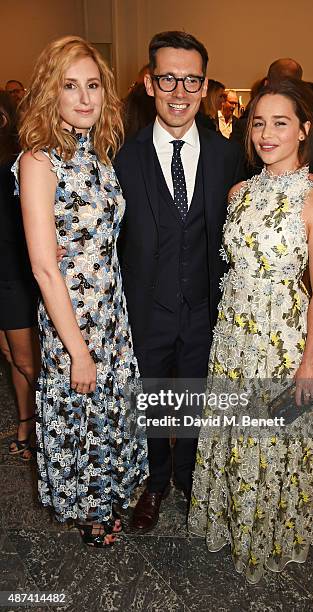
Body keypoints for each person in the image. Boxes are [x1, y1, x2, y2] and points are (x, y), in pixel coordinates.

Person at [188, 79, 313, 583]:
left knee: (272, 437)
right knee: (235, 432)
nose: (267, 133)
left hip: (282, 343)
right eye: (258, 122)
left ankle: (269, 534)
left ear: (303, 131)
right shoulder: (239, 193)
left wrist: (308, 363)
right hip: (234, 337)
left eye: (280, 123)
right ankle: (232, 522)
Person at [15, 36, 148, 547]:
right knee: (82, 414)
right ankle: (92, 512)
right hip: (72, 318)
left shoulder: (97, 152)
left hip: (111, 314)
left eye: (93, 85)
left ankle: (109, 498)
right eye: (70, 86)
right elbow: (45, 268)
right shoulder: (39, 160)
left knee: (111, 413)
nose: (85, 97)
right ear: (51, 91)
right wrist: (77, 350)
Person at [114, 30, 244, 532]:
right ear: (149, 83)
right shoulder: (121, 157)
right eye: (167, 78)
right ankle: (155, 480)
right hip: (144, 308)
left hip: (206, 309)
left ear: (205, 84)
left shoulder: (225, 154)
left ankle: (191, 475)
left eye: (191, 80)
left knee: (192, 397)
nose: (179, 91)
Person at [0, 91, 40, 461]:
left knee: (27, 361)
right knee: (11, 357)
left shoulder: (19, 162)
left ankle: (42, 425)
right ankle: (28, 421)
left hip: (14, 275)